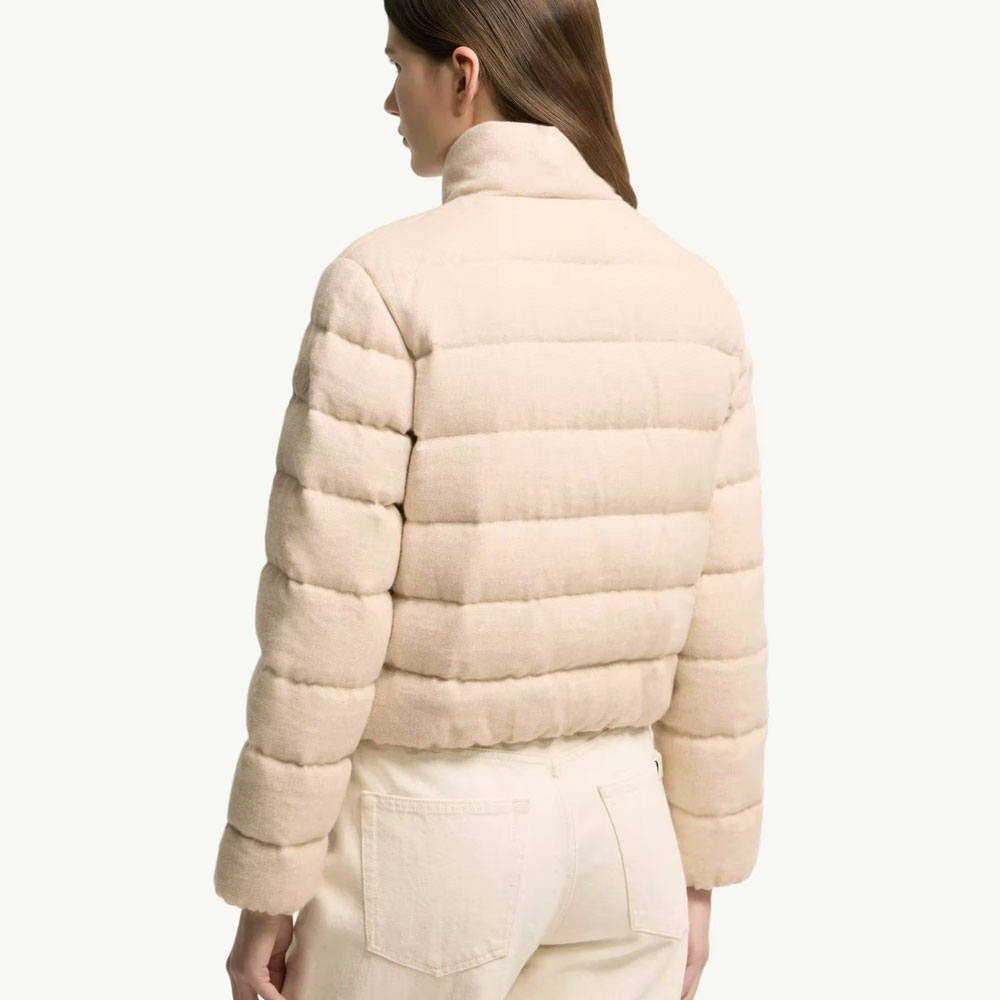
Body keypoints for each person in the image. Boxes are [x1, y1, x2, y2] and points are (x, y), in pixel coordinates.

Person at [215, 2, 769, 998]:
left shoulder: (383, 288)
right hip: (627, 837)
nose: (391, 100)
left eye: (399, 64)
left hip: (427, 841)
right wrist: (697, 875)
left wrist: (270, 886)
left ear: (464, 74)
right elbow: (723, 626)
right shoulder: (697, 296)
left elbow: (324, 623)